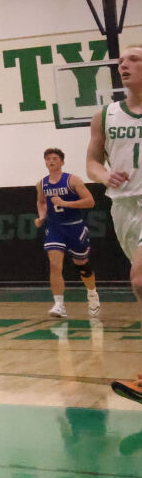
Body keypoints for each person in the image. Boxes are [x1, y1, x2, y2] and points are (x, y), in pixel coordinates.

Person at [87, 48, 142, 402]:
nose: (124, 64)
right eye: (122, 61)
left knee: (140, 278)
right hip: (124, 208)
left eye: (134, 59)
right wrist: (106, 175)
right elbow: (92, 162)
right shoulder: (105, 115)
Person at [36, 147, 98, 319]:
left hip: (75, 227)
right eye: (48, 158)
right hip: (55, 228)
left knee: (82, 265)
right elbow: (41, 202)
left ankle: (92, 293)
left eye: (55, 158)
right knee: (55, 265)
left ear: (62, 162)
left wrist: (65, 203)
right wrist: (41, 216)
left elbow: (90, 202)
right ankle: (59, 304)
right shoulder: (42, 183)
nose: (51, 161)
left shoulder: (73, 180)